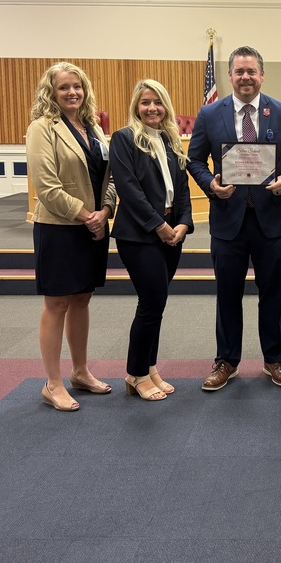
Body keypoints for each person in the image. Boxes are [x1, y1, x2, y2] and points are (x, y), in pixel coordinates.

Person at [187, 45, 281, 391]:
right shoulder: (210, 114)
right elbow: (195, 160)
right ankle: (226, 360)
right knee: (227, 294)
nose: (245, 78)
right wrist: (211, 184)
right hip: (228, 221)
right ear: (230, 76)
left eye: (251, 71)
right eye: (239, 72)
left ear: (262, 75)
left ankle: (274, 360)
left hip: (270, 220)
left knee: (273, 293)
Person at [26, 61, 116, 412]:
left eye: (77, 86)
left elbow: (110, 177)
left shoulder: (93, 127)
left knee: (82, 299)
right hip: (60, 228)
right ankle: (53, 383)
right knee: (57, 302)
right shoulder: (41, 128)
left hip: (94, 225)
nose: (72, 92)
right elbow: (46, 186)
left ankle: (80, 371)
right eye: (64, 87)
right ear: (51, 91)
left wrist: (105, 212)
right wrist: (85, 215)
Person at [109, 79, 193, 401]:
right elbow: (129, 190)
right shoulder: (124, 138)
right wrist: (159, 225)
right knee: (151, 301)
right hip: (139, 235)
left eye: (157, 102)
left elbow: (182, 189)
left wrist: (184, 223)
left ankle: (150, 366)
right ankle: (135, 373)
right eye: (145, 102)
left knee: (157, 303)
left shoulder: (171, 139)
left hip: (172, 233)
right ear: (136, 106)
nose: (152, 108)